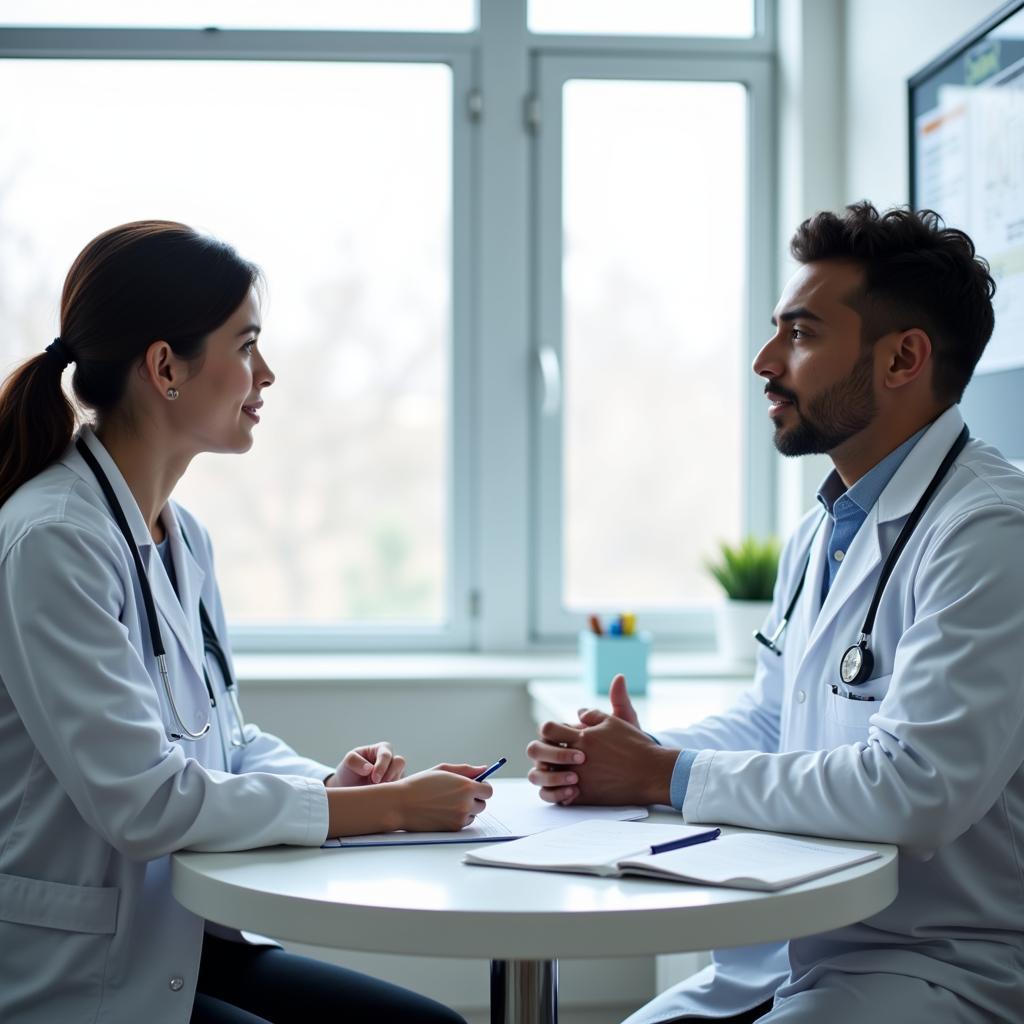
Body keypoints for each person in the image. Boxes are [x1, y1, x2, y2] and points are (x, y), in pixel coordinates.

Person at [527, 202, 1024, 1023]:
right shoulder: (823, 528)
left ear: (903, 357)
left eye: (800, 334)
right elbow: (774, 720)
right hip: (789, 946)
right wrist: (634, 753)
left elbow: (916, 788)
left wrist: (663, 775)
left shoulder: (989, 534)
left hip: (936, 966)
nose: (764, 361)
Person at [0, 221, 493, 1024]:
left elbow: (220, 741)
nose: (266, 374)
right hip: (76, 977)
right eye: (247, 345)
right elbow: (145, 802)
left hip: (182, 944)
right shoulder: (54, 539)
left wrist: (327, 782)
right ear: (165, 367)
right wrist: (386, 810)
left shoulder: (179, 535)